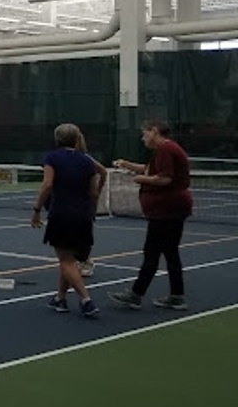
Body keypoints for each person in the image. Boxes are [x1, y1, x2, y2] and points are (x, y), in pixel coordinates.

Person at [109, 120, 194, 311]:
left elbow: (164, 178)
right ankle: (176, 296)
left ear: (154, 132)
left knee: (152, 252)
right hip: (169, 209)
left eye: (145, 134)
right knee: (170, 252)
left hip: (167, 210)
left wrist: (140, 180)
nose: (143, 138)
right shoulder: (164, 150)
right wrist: (127, 165)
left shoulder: (166, 149)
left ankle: (136, 294)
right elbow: (150, 170)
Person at [31, 124, 101, 318]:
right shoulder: (87, 161)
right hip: (83, 216)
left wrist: (36, 209)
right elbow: (94, 192)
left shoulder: (51, 158)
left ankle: (86, 300)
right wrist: (91, 212)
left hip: (61, 214)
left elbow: (47, 185)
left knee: (65, 261)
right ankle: (60, 299)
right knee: (67, 260)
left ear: (57, 139)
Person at [74, 131, 108, 277]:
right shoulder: (62, 158)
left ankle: (85, 261)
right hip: (70, 201)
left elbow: (103, 172)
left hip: (84, 202)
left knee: (84, 232)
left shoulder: (85, 159)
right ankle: (77, 260)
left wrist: (97, 192)